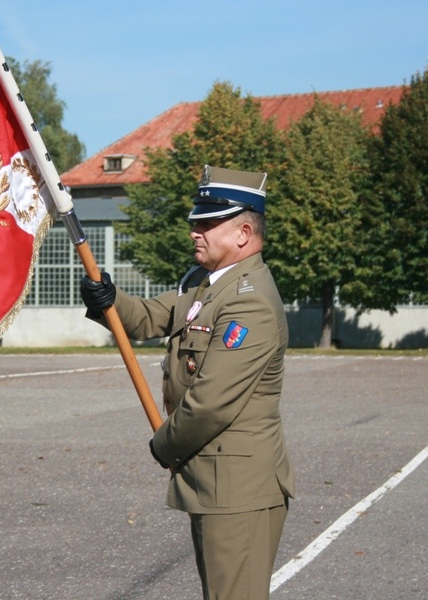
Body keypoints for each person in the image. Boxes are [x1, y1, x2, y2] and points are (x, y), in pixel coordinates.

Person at [80, 165, 294, 599]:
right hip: (214, 481)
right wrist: (107, 297)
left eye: (208, 223)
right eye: (195, 222)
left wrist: (163, 444)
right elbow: (149, 317)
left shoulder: (249, 302)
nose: (195, 231)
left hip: (238, 487)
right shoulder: (206, 286)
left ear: (243, 233)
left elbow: (210, 404)